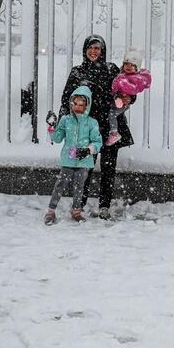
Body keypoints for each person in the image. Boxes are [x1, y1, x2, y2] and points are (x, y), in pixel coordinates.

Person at [57, 35, 133, 220]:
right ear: (85, 50)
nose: (93, 52)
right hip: (87, 128)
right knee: (85, 168)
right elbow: (67, 99)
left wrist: (129, 98)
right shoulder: (77, 72)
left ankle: (104, 205)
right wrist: (63, 121)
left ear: (103, 51)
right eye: (90, 48)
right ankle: (79, 203)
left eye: (97, 48)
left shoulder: (111, 69)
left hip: (109, 128)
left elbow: (126, 90)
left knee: (108, 168)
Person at [45, 85, 103, 225]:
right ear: (71, 103)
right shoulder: (66, 120)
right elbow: (58, 138)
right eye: (75, 103)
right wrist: (52, 127)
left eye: (82, 104)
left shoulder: (92, 123)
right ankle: (51, 210)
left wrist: (88, 150)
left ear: (87, 105)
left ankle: (76, 211)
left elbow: (98, 142)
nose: (77, 107)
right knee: (60, 185)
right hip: (68, 160)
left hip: (84, 162)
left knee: (79, 187)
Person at [107, 48, 152, 146]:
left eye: (132, 65)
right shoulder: (121, 74)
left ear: (137, 68)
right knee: (113, 111)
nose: (128, 67)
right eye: (126, 64)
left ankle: (114, 133)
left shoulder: (132, 78)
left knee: (112, 113)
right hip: (115, 100)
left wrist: (127, 97)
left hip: (121, 101)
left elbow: (132, 91)